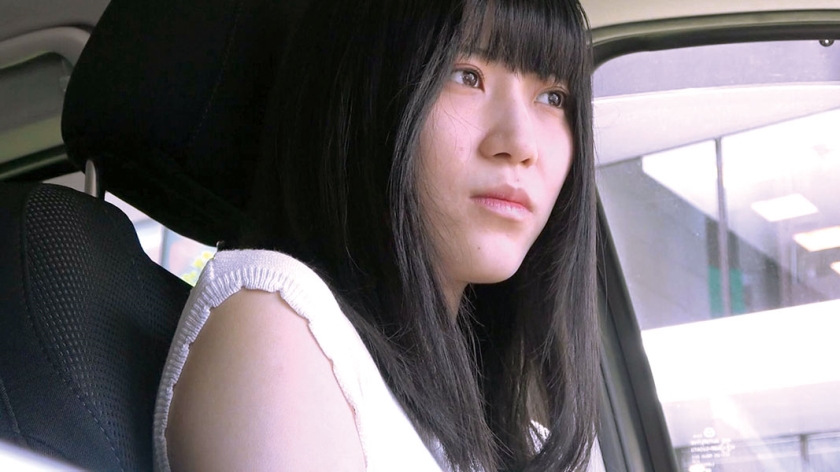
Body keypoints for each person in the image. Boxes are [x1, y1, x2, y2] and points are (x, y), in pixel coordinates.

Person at [153, 0, 600, 470]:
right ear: (363, 99)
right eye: (466, 75)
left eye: (553, 98)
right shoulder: (278, 319)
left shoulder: (520, 438)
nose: (521, 144)